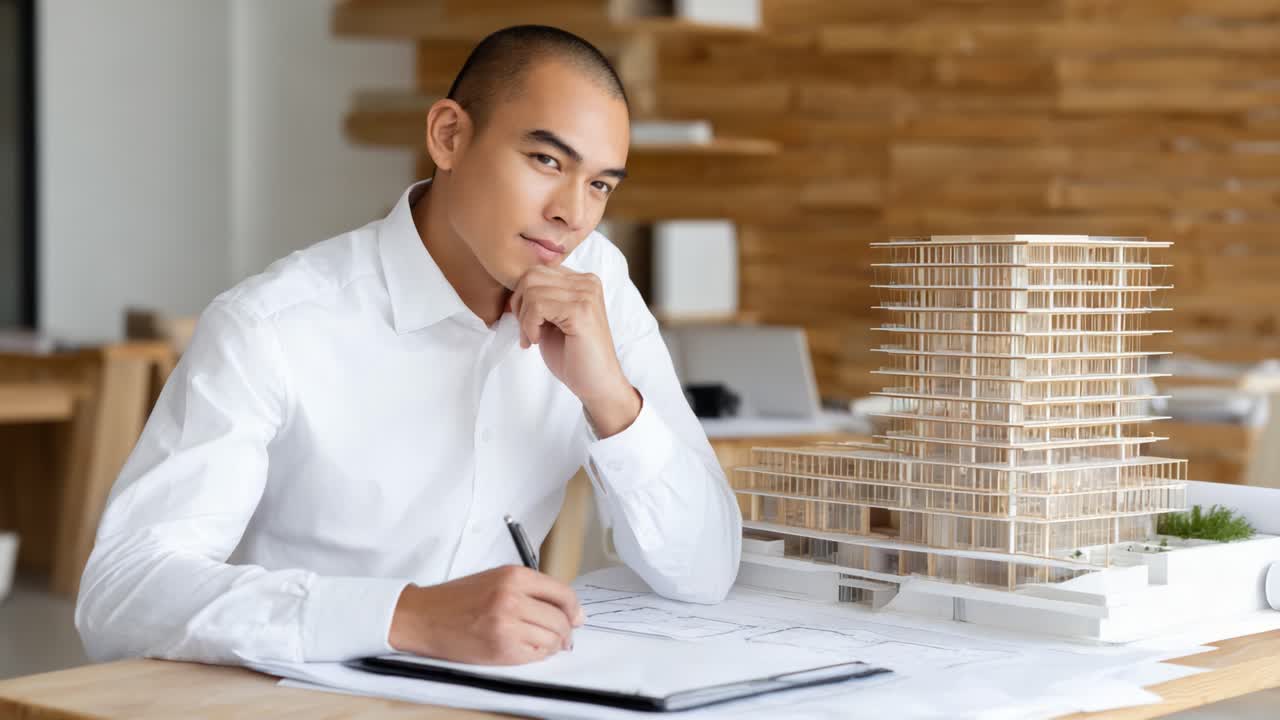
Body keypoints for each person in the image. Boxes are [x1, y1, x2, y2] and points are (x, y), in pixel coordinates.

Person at [75, 25, 741, 668]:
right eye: (546, 160)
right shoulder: (273, 324)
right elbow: (123, 594)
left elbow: (704, 571)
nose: (573, 212)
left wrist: (611, 400)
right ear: (449, 136)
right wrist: (407, 616)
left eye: (599, 184)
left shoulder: (597, 289)